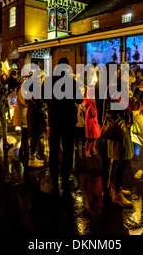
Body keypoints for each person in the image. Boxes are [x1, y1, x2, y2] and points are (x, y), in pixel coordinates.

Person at [104, 68, 143, 207]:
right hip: (118, 128)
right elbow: (131, 105)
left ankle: (115, 188)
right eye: (130, 80)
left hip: (118, 126)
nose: (131, 83)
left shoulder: (115, 87)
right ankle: (116, 193)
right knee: (121, 160)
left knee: (117, 160)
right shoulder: (117, 89)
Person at [42, 57, 83, 193]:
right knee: (68, 148)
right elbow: (79, 99)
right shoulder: (72, 82)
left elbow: (42, 98)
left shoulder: (48, 81)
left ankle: (53, 174)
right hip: (68, 120)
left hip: (54, 120)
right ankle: (65, 175)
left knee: (53, 147)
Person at [84, 87, 101, 157]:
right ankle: (87, 149)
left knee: (95, 136)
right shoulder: (88, 102)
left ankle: (92, 148)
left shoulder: (94, 101)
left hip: (95, 121)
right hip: (91, 121)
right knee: (90, 137)